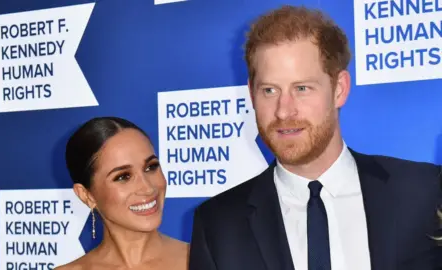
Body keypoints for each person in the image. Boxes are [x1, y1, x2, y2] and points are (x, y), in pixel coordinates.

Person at [188, 5, 442, 270]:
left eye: (302, 88)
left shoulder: (425, 192)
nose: (284, 110)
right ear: (251, 94)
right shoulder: (218, 225)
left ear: (339, 89)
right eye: (269, 90)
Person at [56, 117, 188, 270]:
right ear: (86, 195)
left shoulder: (204, 260)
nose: (148, 188)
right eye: (123, 177)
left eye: (151, 167)